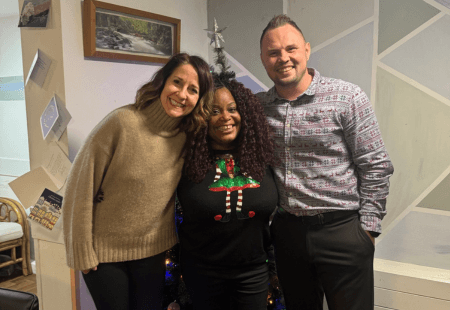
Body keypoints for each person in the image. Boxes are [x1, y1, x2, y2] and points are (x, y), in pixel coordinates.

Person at [257, 15, 394, 310]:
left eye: (291, 49)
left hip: (343, 231)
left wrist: (367, 231)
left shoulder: (346, 97)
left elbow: (376, 165)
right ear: (263, 59)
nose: (283, 58)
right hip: (288, 234)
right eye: (273, 52)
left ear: (306, 49)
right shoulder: (258, 107)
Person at [62, 53, 214, 310]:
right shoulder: (121, 122)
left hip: (152, 253)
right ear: (162, 82)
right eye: (177, 82)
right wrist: (81, 250)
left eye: (193, 90)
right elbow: (79, 187)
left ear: (199, 99)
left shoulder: (189, 137)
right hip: (104, 254)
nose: (182, 94)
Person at [174, 65, 279, 310]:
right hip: (202, 276)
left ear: (245, 114)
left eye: (232, 109)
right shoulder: (185, 161)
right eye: (214, 111)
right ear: (202, 117)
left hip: (253, 274)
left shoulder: (263, 159)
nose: (226, 117)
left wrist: (272, 268)